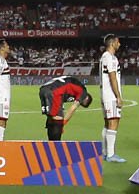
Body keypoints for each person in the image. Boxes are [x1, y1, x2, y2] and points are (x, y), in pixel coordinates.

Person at [39, 75, 93, 141]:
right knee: (58, 121)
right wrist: (62, 124)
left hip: (44, 89)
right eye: (82, 103)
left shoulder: (74, 86)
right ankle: (55, 146)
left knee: (52, 119)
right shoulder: (83, 92)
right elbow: (73, 107)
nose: (80, 103)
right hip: (54, 92)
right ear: (86, 98)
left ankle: (50, 144)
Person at [99, 34, 125, 162]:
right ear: (112, 43)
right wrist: (118, 96)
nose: (119, 44)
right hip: (111, 95)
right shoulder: (110, 58)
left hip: (105, 94)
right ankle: (110, 154)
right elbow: (112, 77)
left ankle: (105, 152)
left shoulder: (104, 57)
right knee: (113, 122)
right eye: (118, 42)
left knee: (107, 123)